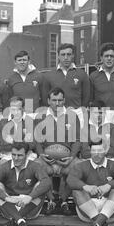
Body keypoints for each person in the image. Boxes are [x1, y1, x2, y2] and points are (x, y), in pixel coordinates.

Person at [67, 140, 114, 226]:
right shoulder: (82, 165)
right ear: (90, 152)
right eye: (93, 151)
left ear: (105, 151)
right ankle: (101, 224)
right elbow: (70, 180)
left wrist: (109, 185)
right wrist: (86, 187)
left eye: (99, 151)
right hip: (87, 212)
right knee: (77, 190)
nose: (96, 154)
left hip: (110, 212)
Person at [0, 143, 52, 226]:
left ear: (27, 154)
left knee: (41, 185)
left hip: (29, 208)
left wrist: (30, 197)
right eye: (13, 155)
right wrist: (6, 198)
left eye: (20, 155)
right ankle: (20, 221)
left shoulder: (34, 166)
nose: (16, 158)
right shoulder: (5, 166)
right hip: (9, 208)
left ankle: (15, 220)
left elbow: (47, 182)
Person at [34, 87, 81, 215]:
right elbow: (37, 140)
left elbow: (77, 140)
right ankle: (51, 200)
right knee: (36, 166)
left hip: (67, 157)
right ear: (48, 101)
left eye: (60, 100)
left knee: (78, 168)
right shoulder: (41, 116)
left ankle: (64, 200)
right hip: (47, 158)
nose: (57, 103)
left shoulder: (72, 116)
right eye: (54, 100)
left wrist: (71, 157)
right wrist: (41, 155)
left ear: (64, 100)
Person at [43, 43, 90, 126]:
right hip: (57, 113)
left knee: (77, 138)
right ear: (58, 56)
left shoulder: (82, 74)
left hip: (77, 112)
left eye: (68, 54)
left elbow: (86, 96)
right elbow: (45, 98)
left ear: (73, 56)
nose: (66, 57)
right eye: (63, 54)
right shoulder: (48, 75)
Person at [0, 96, 37, 165]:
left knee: (35, 165)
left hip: (27, 154)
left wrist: (12, 142)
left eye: (19, 109)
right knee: (3, 164)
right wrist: (22, 142)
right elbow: (1, 144)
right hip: (8, 155)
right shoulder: (3, 123)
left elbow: (32, 144)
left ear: (23, 108)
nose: (16, 112)